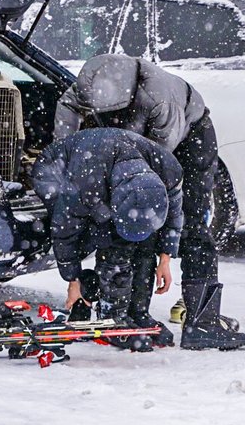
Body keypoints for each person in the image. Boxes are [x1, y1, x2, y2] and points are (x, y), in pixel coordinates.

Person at [53, 54, 245, 351]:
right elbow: (67, 131)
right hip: (135, 140)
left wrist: (165, 255)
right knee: (125, 215)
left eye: (115, 112)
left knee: (188, 223)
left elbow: (156, 175)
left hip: (188, 138)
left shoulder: (161, 100)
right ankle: (132, 315)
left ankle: (202, 323)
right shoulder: (85, 88)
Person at [31, 128, 184, 351]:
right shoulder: (86, 184)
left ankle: (137, 312)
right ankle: (112, 316)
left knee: (146, 241)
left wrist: (165, 259)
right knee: (111, 240)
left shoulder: (168, 170)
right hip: (55, 171)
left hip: (106, 170)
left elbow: (174, 216)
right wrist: (73, 280)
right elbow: (64, 231)